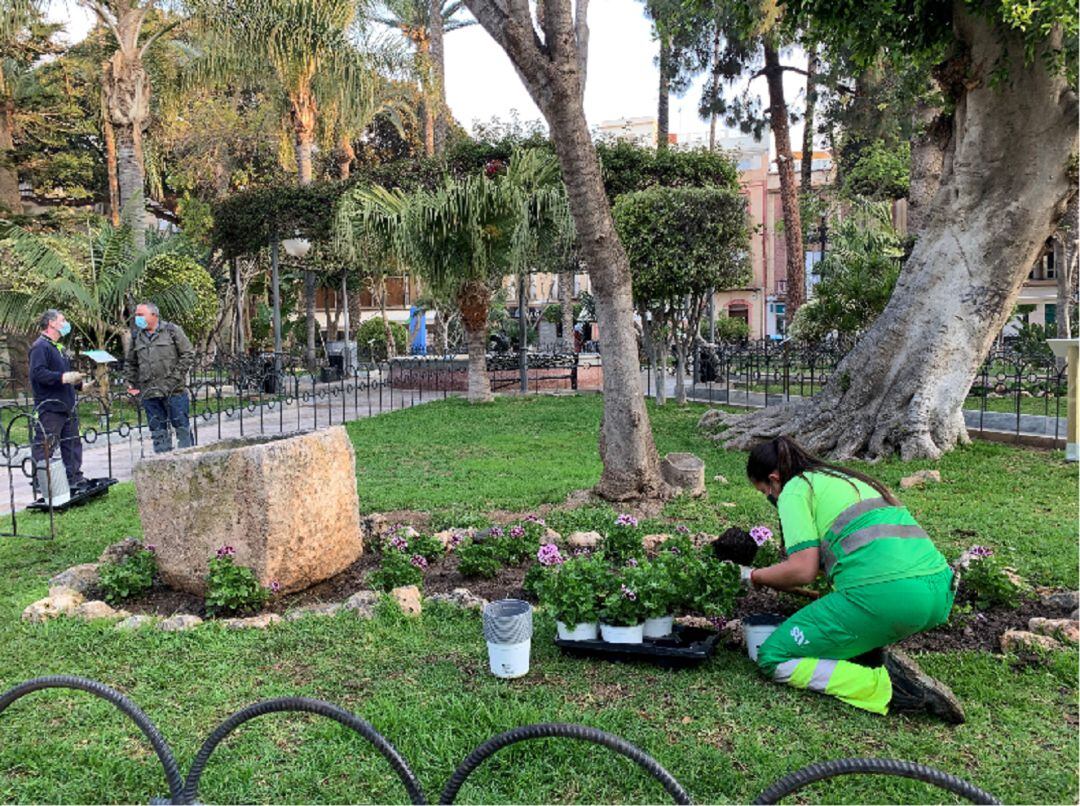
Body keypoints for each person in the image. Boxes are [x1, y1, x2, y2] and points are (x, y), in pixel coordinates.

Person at [741, 436, 965, 723]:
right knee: (839, 619)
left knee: (774, 656)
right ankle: (868, 654)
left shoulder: (795, 489)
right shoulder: (841, 478)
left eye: (765, 491)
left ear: (774, 478)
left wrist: (753, 576)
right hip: (937, 592)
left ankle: (885, 686)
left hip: (890, 598)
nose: (770, 498)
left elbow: (802, 570)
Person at [28, 309, 87, 494]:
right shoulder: (40, 347)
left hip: (67, 405)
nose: (66, 323)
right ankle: (42, 482)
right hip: (51, 406)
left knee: (72, 444)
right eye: (63, 320)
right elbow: (38, 374)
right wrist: (64, 377)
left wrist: (80, 386)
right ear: (51, 323)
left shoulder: (57, 347)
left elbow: (65, 377)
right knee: (45, 445)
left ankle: (74, 478)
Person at [124, 302, 195, 453]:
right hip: (149, 392)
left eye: (140, 315)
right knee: (158, 432)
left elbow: (188, 354)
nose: (137, 318)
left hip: (173, 391)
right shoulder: (137, 336)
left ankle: (188, 460)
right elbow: (131, 362)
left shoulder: (171, 331)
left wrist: (174, 378)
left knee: (182, 428)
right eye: (136, 315)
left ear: (154, 315)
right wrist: (131, 383)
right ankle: (162, 462)